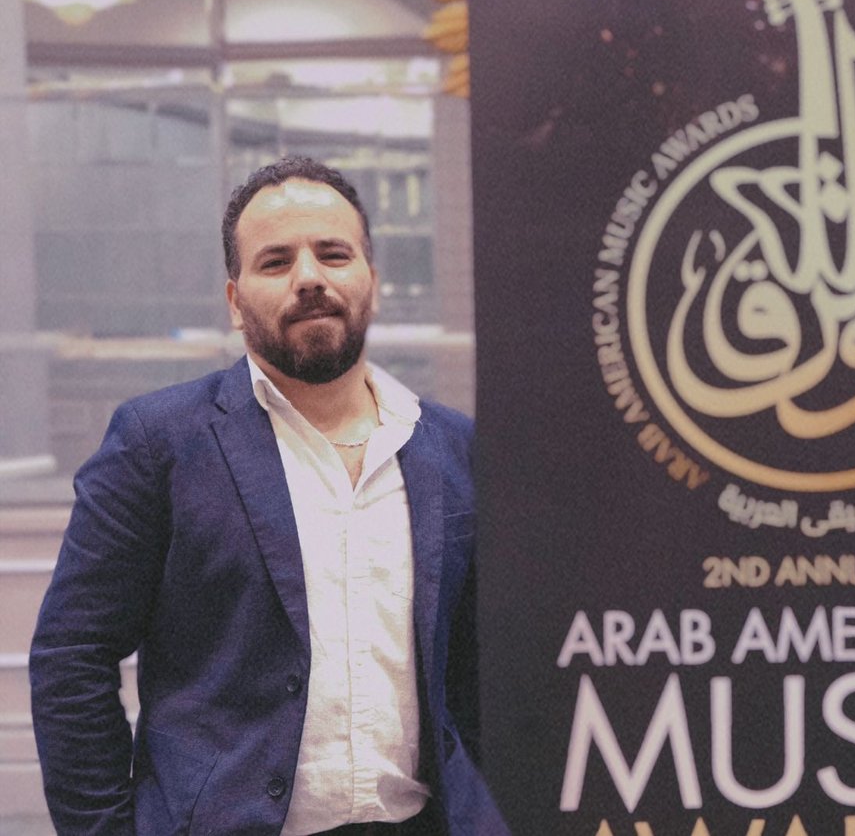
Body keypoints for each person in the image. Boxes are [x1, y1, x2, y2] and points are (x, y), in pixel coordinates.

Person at [30, 157, 509, 835]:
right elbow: (71, 660)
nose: (309, 277)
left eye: (333, 254)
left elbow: (479, 672)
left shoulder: (452, 448)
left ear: (372, 281)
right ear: (235, 301)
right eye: (276, 261)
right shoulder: (157, 444)